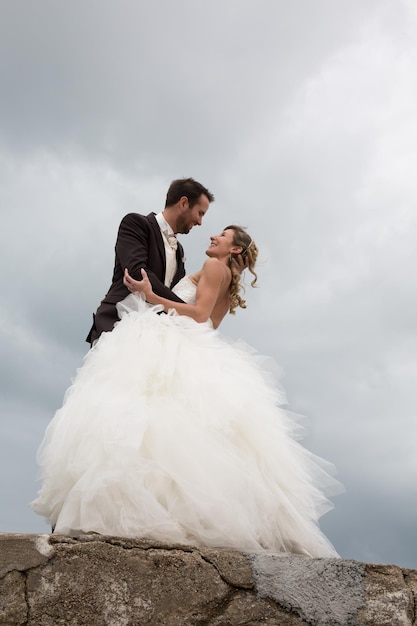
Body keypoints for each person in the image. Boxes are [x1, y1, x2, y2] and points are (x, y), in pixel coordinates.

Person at [31, 225, 341, 557]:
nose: (213, 237)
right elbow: (211, 324)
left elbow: (198, 315)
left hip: (173, 339)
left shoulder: (212, 267)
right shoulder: (227, 279)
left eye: (222, 236)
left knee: (142, 421)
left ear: (234, 250)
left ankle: (138, 515)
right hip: (192, 344)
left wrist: (151, 296)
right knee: (182, 433)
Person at [86, 177, 214, 345]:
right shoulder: (136, 223)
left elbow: (173, 290)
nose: (200, 222)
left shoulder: (179, 251)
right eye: (200, 213)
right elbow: (137, 273)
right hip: (119, 323)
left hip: (155, 334)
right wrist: (188, 310)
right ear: (183, 203)